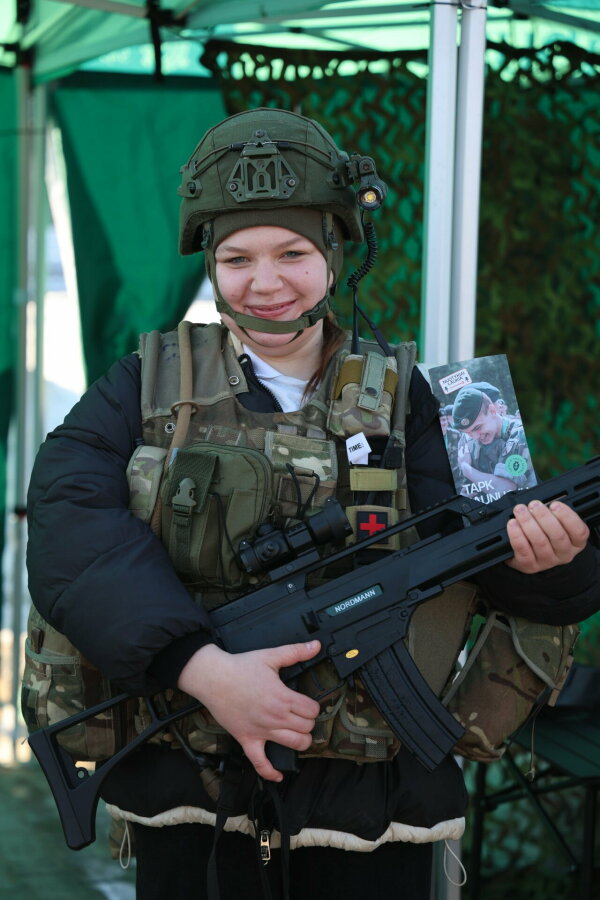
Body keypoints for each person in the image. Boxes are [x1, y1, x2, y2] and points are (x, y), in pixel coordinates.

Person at [25, 108, 600, 900]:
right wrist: (203, 671)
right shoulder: (144, 386)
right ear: (210, 263)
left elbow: (496, 561)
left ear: (335, 255)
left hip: (374, 810)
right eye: (237, 258)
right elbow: (68, 524)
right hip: (191, 796)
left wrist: (554, 563)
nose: (264, 283)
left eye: (292, 253)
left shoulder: (423, 403)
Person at [452, 385, 537, 493]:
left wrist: (466, 468)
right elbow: (467, 488)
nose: (475, 437)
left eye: (477, 428)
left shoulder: (520, 434)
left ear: (492, 410)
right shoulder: (468, 442)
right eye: (468, 433)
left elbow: (506, 488)